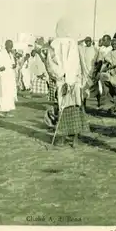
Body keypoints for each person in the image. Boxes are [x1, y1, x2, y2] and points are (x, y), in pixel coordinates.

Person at [46, 17, 90, 147]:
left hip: (66, 81)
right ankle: (71, 138)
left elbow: (51, 64)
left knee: (65, 108)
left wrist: (62, 76)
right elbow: (74, 64)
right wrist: (68, 78)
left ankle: (66, 138)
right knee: (72, 108)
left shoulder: (59, 44)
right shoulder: (69, 43)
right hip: (70, 81)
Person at [0, 40, 17, 117]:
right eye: (9, 45)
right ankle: (1, 110)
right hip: (4, 77)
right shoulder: (2, 53)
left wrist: (14, 65)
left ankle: (7, 111)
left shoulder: (10, 54)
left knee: (9, 94)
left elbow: (12, 64)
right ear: (5, 45)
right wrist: (2, 68)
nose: (11, 47)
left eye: (12, 45)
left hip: (10, 77)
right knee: (4, 94)